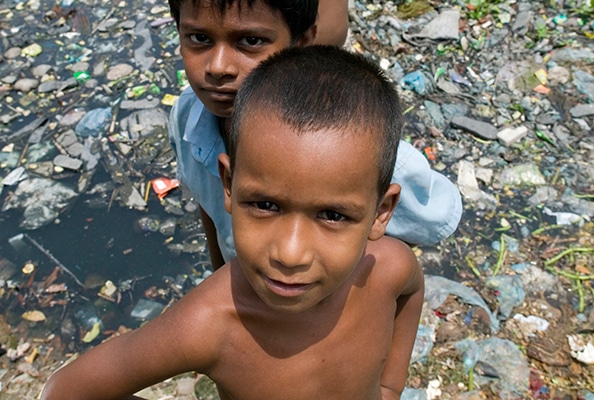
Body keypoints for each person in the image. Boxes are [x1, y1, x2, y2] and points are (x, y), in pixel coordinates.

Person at [41, 45, 425, 400]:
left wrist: (390, 386)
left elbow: (411, 293)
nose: (290, 253)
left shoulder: (389, 268)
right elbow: (65, 390)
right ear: (228, 185)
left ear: (382, 212)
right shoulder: (212, 323)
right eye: (265, 205)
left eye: (332, 215)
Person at [168, 0, 462, 270]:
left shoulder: (357, 151)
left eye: (251, 41)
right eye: (199, 38)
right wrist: (221, 281)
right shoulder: (187, 119)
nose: (218, 67)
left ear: (303, 42)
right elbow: (210, 209)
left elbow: (428, 221)